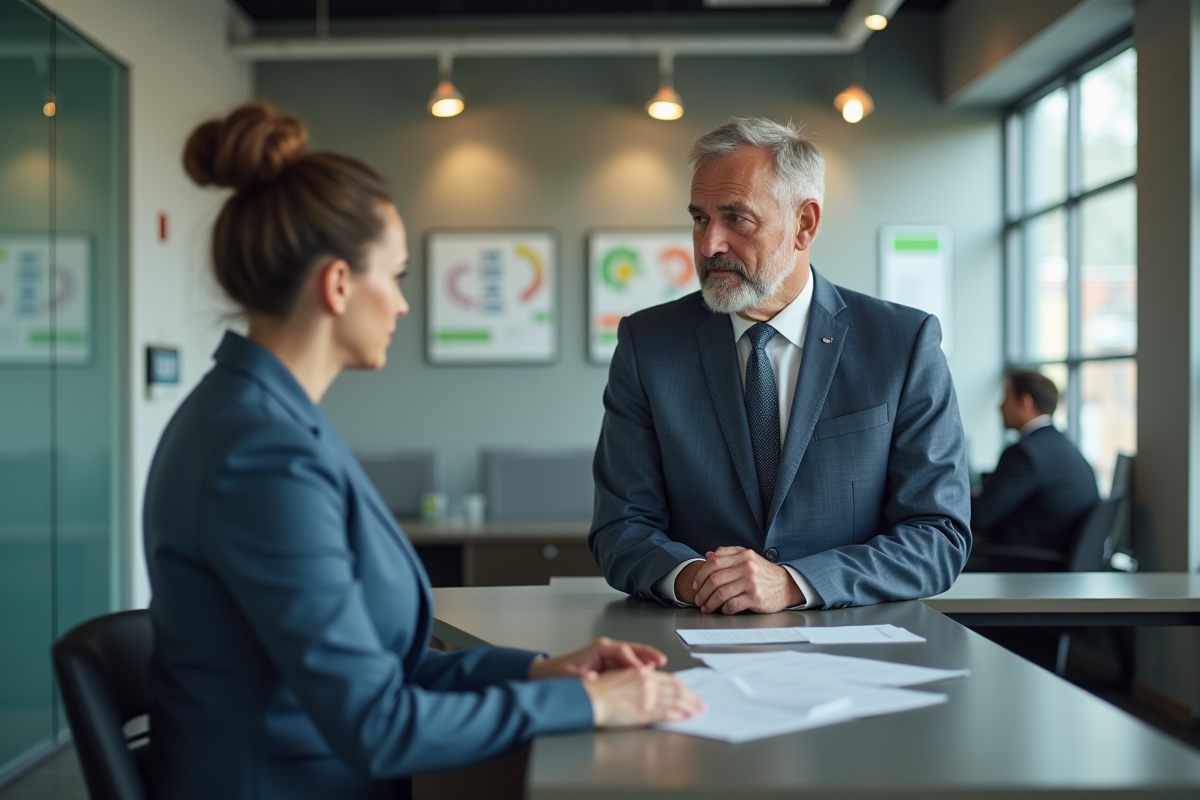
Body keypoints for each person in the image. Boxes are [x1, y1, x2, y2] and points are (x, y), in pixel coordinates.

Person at [143, 103, 700, 800]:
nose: (404, 305)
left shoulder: (265, 422)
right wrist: (593, 705)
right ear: (339, 285)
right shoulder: (260, 456)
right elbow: (377, 722)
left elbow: (383, 670)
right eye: (398, 276)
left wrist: (545, 672)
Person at [589, 117, 971, 614]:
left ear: (804, 224)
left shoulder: (903, 343)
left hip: (858, 651)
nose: (709, 246)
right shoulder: (648, 343)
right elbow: (620, 525)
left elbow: (938, 535)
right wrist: (694, 578)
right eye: (700, 219)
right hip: (694, 645)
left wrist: (794, 583)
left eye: (737, 219)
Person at [970, 372, 1099, 558]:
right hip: (1055, 554)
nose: (1000, 406)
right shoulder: (1061, 444)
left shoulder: (1025, 453)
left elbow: (979, 517)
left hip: (1028, 562)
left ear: (1025, 402)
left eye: (1006, 397)